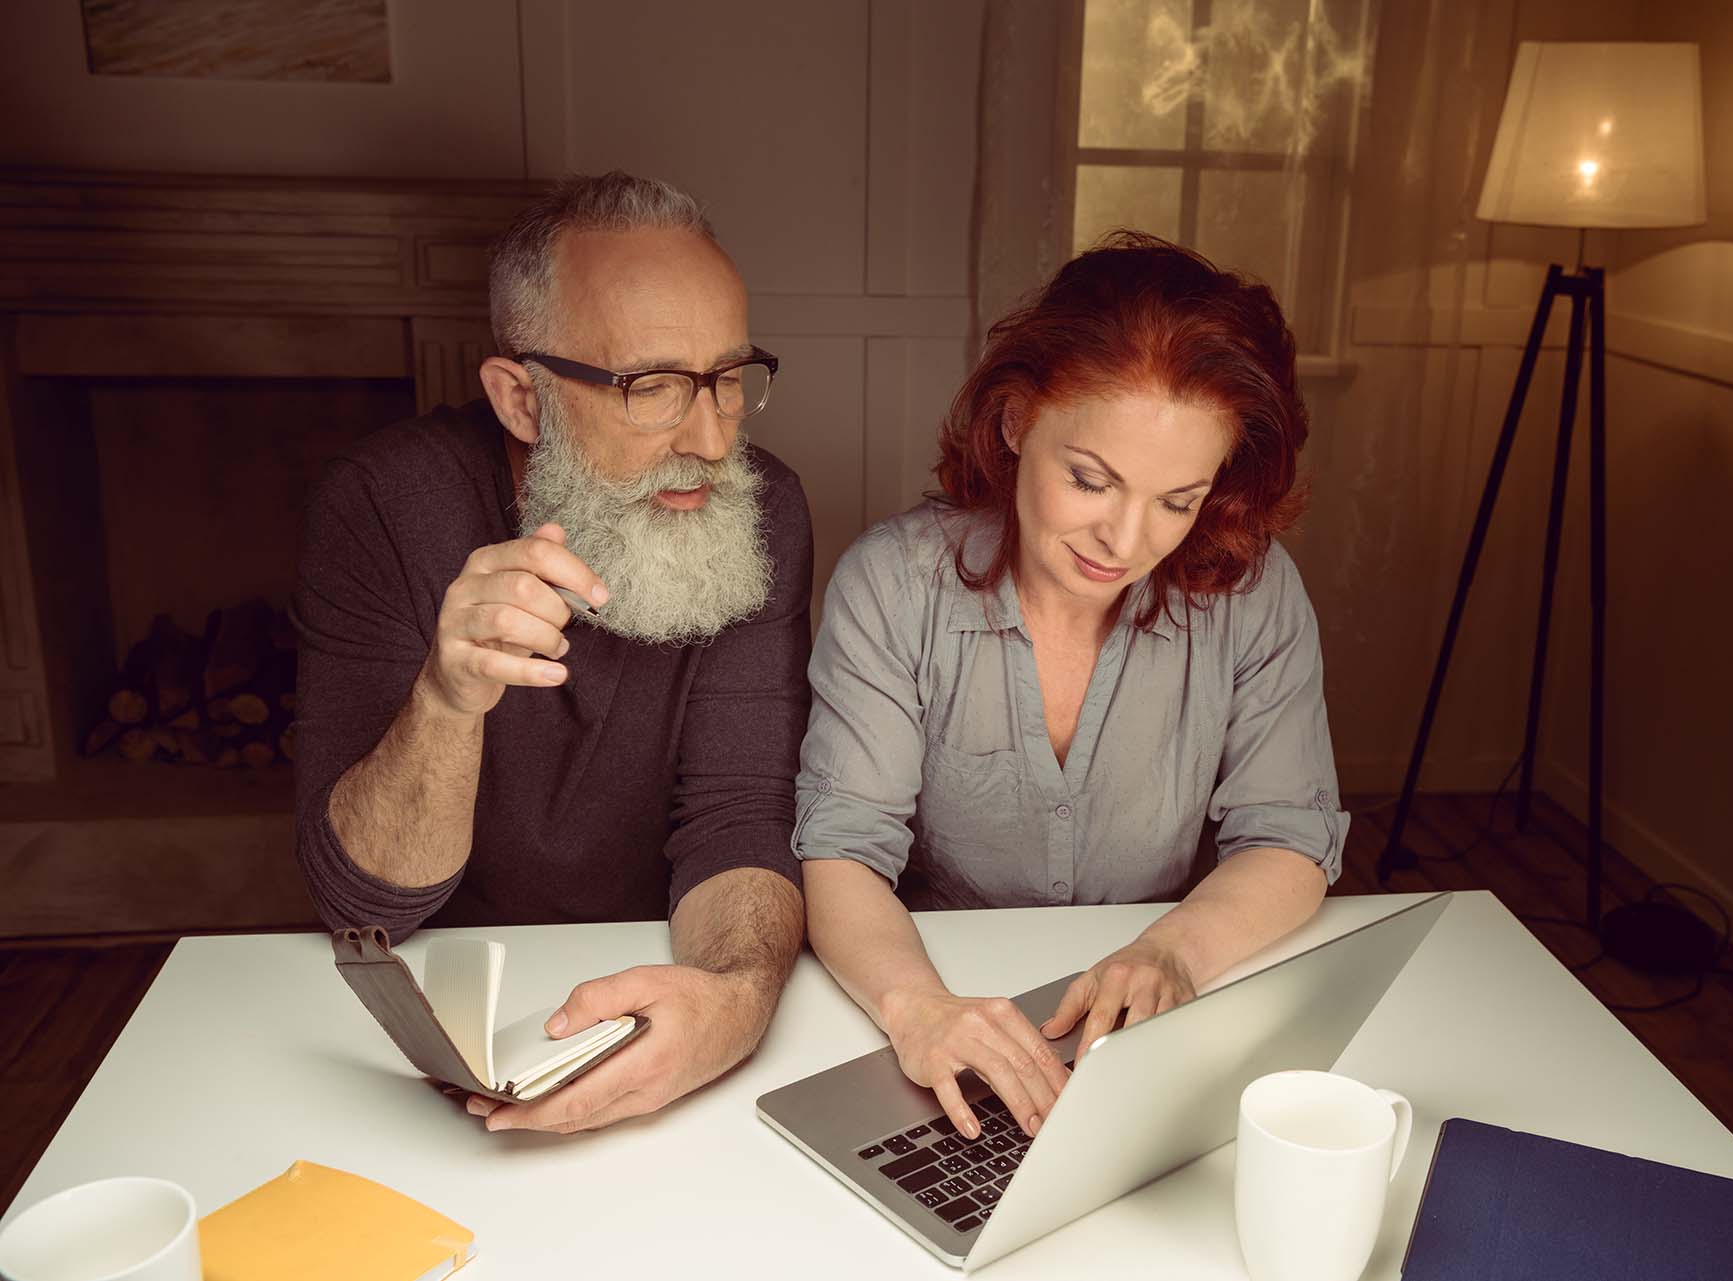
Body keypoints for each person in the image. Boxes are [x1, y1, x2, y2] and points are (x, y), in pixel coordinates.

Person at [794, 232, 1349, 1142]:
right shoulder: (892, 587)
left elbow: (1289, 834)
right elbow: (844, 848)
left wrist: (1173, 950)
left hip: (1143, 1033)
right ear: (1016, 423)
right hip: (944, 1005)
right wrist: (918, 1008)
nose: (1126, 540)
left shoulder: (1254, 591)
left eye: (1178, 500)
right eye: (1092, 480)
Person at [292, 172, 811, 1134]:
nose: (710, 438)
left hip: (668, 958)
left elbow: (738, 812)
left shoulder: (760, 506)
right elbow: (360, 903)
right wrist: (446, 701)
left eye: (728, 378)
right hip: (451, 1006)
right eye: (652, 387)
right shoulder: (382, 504)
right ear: (523, 401)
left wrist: (735, 1001)